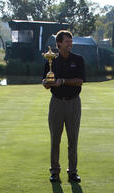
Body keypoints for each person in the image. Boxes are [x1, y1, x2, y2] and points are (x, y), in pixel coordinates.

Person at [42, 30, 86, 183]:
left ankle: (72, 172)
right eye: (67, 42)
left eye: (71, 42)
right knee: (55, 139)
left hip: (73, 102)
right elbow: (46, 84)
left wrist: (62, 81)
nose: (70, 44)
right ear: (59, 43)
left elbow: (79, 80)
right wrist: (47, 83)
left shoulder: (78, 59)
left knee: (73, 139)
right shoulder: (51, 60)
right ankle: (55, 171)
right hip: (57, 103)